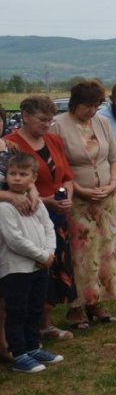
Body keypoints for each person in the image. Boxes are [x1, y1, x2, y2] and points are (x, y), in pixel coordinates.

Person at [51, 79, 116, 329]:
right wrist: (81, 189)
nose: (92, 111)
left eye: (96, 106)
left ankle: (96, 301)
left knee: (103, 251)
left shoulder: (103, 123)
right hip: (77, 202)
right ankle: (76, 306)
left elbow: (115, 159)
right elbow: (59, 166)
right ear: (75, 104)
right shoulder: (58, 126)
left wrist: (112, 183)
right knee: (80, 254)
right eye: (87, 106)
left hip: (105, 201)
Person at [3, 96, 76, 341]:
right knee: (31, 269)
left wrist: (66, 198)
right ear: (25, 115)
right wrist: (45, 200)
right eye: (42, 119)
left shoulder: (54, 141)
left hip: (56, 215)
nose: (47, 124)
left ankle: (45, 323)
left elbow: (66, 176)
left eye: (50, 120)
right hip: (26, 213)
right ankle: (23, 330)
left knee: (53, 269)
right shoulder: (12, 145)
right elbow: (15, 182)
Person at [0, 152, 62, 374]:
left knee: (35, 308)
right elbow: (14, 239)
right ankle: (19, 355)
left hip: (40, 266)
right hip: (16, 268)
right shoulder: (5, 206)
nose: (17, 178)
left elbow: (48, 227)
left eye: (23, 174)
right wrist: (41, 256)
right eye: (12, 174)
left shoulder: (36, 202)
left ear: (34, 178)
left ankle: (33, 347)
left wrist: (50, 252)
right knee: (17, 311)